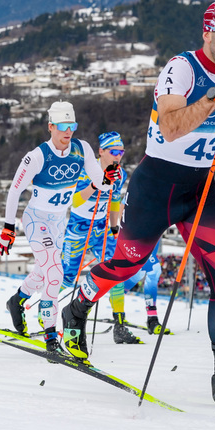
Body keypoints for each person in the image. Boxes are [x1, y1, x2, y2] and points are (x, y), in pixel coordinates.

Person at [62, 0, 215, 410]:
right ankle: (77, 307)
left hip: (199, 188)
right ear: (208, 31)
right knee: (127, 264)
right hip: (157, 185)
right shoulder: (182, 68)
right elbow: (171, 127)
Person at [0, 101, 113, 357]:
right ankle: (51, 335)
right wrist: (8, 228)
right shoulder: (37, 156)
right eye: (62, 126)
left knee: (43, 271)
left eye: (72, 125)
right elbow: (15, 190)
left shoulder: (82, 149)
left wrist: (108, 178)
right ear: (51, 127)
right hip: (36, 219)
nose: (68, 131)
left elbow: (99, 183)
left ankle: (17, 300)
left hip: (60, 221)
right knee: (55, 273)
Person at [59, 131, 141, 344]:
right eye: (113, 151)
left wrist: (114, 227)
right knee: (68, 277)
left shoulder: (120, 173)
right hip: (79, 227)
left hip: (102, 227)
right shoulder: (86, 170)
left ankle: (120, 326)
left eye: (121, 151)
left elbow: (114, 201)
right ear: (101, 152)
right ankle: (47, 318)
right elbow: (75, 201)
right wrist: (96, 184)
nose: (118, 155)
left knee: (116, 272)